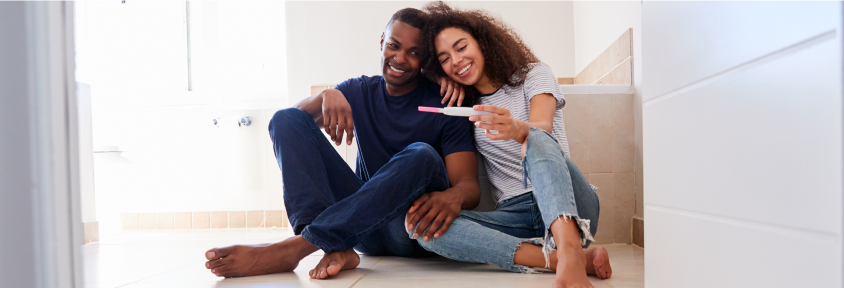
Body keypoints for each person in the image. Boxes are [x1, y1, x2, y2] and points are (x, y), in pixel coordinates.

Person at [203, 8, 481, 279]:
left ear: (425, 60)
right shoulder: (359, 90)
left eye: (414, 53)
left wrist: (453, 196)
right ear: (382, 42)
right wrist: (328, 94)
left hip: (410, 229)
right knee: (285, 117)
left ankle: (297, 248)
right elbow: (289, 126)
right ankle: (331, 245)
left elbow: (469, 185)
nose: (400, 58)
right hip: (361, 231)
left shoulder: (446, 104)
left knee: (422, 155)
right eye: (394, 46)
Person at [404, 2, 612, 288]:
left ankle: (570, 250)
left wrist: (517, 129)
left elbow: (543, 127)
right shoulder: (466, 105)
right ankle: (565, 259)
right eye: (444, 58)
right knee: (423, 229)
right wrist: (437, 78)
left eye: (461, 47)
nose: (456, 60)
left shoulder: (533, 74)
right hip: (517, 214)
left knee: (536, 138)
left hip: (569, 202)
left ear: (482, 42)